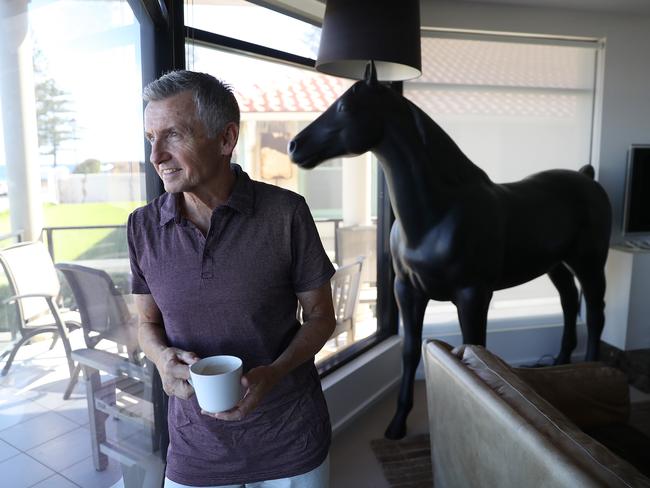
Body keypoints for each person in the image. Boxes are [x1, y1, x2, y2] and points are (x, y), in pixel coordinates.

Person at [127, 70, 337, 488]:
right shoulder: (142, 227)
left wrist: (274, 372)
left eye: (174, 135)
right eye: (151, 138)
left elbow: (321, 317)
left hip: (289, 439)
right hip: (195, 449)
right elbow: (147, 323)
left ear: (225, 139)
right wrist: (160, 359)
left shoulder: (286, 213)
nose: (156, 156)